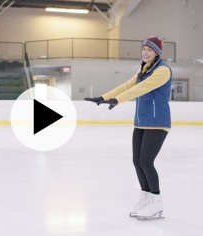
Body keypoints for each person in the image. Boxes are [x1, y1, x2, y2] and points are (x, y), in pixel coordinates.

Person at [85, 36, 172, 220]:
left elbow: (140, 89)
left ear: (157, 53)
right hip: (141, 122)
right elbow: (126, 86)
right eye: (144, 49)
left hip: (157, 122)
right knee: (137, 161)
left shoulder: (163, 71)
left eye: (149, 50)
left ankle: (156, 202)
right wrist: (103, 97)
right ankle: (146, 197)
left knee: (147, 162)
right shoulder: (143, 70)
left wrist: (118, 100)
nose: (145, 52)